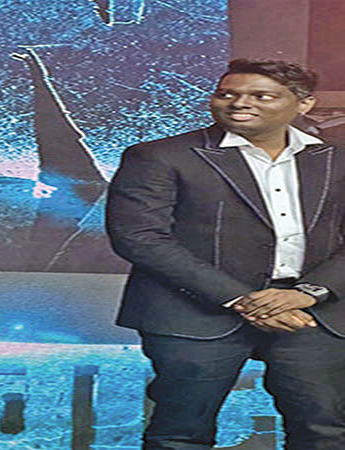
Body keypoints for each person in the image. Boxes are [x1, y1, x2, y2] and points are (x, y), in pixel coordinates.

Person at [106, 59, 345, 449]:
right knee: (180, 434)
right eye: (226, 94)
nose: (239, 103)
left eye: (261, 96)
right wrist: (242, 299)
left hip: (310, 312)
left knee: (324, 432)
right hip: (194, 312)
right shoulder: (159, 156)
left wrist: (308, 293)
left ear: (304, 104)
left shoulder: (338, 158)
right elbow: (139, 237)